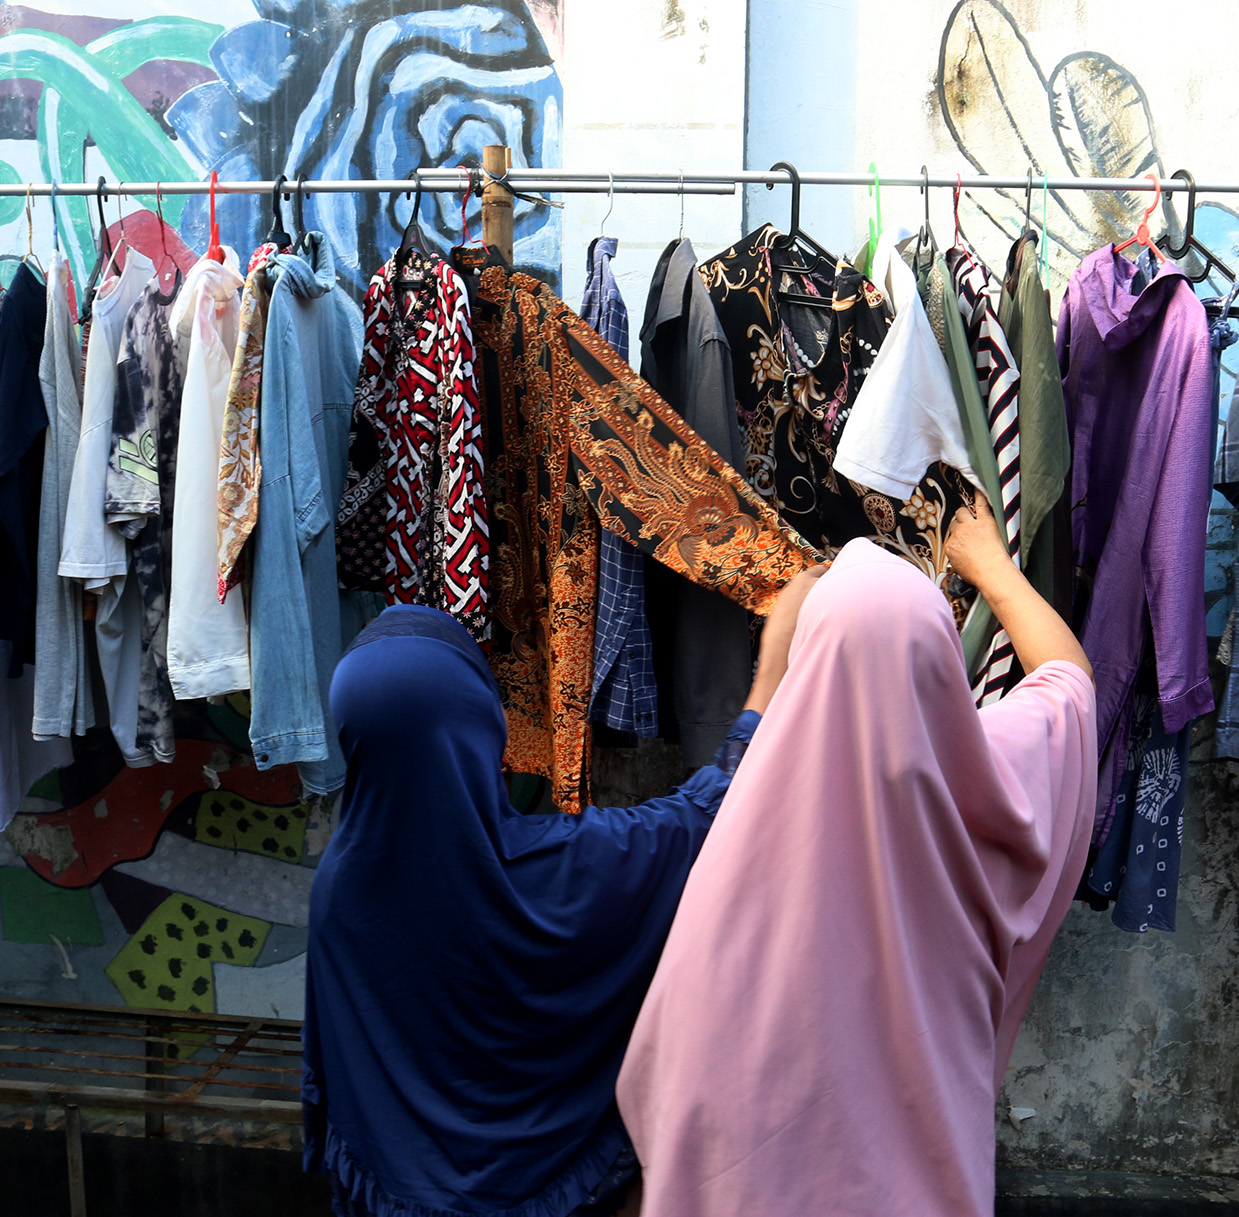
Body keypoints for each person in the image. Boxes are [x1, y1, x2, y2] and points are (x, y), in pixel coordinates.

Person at [616, 493, 1101, 1217]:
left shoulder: (730, 881)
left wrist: (768, 677)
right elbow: (1069, 685)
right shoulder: (993, 794)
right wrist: (991, 568)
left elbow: (666, 1091)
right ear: (938, 659)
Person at [301, 565, 826, 1217]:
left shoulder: (340, 895)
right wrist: (771, 669)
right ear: (479, 726)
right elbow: (710, 815)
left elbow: (340, 1088)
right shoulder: (571, 869)